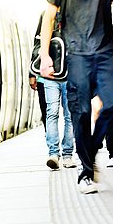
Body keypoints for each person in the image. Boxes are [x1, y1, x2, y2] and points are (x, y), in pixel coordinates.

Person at [40, 0, 113, 194]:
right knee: (81, 113)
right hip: (76, 55)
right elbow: (49, 15)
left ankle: (90, 151)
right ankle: (86, 173)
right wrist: (45, 55)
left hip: (104, 53)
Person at [31, 11, 76, 169]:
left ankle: (68, 154)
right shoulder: (46, 15)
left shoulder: (75, 11)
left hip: (71, 74)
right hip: (50, 75)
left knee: (68, 114)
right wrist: (33, 73)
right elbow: (37, 44)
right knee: (52, 112)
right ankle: (53, 153)